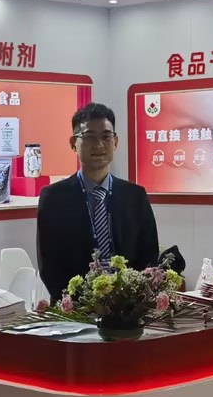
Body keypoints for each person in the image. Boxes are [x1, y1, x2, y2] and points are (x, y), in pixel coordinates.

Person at [36, 103, 159, 303]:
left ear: (115, 142)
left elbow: (148, 255)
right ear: (73, 143)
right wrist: (82, 304)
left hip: (128, 308)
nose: (99, 144)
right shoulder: (53, 198)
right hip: (75, 309)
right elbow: (49, 266)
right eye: (89, 137)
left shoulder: (135, 196)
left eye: (106, 136)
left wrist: (130, 299)